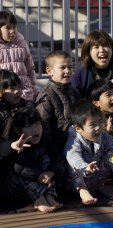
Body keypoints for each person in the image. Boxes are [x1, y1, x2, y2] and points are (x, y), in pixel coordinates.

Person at [35, 50, 80, 182]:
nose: (67, 71)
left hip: (75, 142)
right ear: (49, 71)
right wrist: (54, 150)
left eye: (70, 67)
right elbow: (44, 127)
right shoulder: (46, 95)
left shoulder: (73, 92)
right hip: (56, 147)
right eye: (62, 67)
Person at [71, 29, 113, 110]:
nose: (102, 50)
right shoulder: (80, 76)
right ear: (88, 52)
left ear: (112, 49)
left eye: (106, 46)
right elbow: (76, 105)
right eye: (96, 47)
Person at [10, 107, 63, 212]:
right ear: (18, 130)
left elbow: (57, 158)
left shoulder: (45, 140)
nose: (35, 129)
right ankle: (39, 199)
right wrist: (39, 175)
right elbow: (20, 168)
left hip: (38, 182)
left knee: (46, 159)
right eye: (29, 126)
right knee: (21, 170)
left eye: (37, 124)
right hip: (15, 187)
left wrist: (51, 171)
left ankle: (49, 196)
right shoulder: (15, 144)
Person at [0, 10, 38, 100]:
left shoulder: (22, 44)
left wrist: (34, 89)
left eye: (14, 27)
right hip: (5, 92)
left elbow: (30, 68)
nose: (12, 31)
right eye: (8, 28)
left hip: (24, 90)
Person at [0, 69, 33, 140]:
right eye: (11, 88)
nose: (17, 91)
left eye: (19, 86)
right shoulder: (1, 111)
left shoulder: (26, 106)